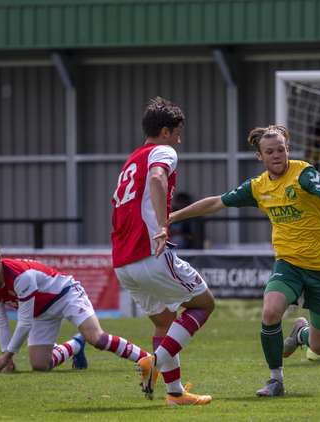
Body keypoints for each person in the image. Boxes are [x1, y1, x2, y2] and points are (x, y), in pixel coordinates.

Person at [168, 125, 320, 397]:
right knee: (271, 311)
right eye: (270, 151)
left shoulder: (303, 174)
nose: (277, 155)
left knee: (319, 347)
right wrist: (172, 217)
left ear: (288, 150)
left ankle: (300, 334)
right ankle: (276, 380)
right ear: (260, 156)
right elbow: (216, 202)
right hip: (289, 263)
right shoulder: (258, 187)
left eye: (281, 149)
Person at [111, 97, 215, 406]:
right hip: (150, 253)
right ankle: (153, 360)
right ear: (167, 131)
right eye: (178, 132)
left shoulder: (132, 160)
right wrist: (162, 226)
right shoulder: (163, 151)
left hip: (123, 263)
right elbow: (157, 178)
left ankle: (174, 393)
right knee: (203, 305)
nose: (180, 140)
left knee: (163, 322)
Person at [0, 236, 151, 378]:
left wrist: (7, 356)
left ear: (0, 258)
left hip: (65, 295)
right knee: (41, 366)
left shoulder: (20, 276)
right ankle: (76, 345)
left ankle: (149, 359)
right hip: (40, 312)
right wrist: (5, 353)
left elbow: (24, 323)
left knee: (98, 339)